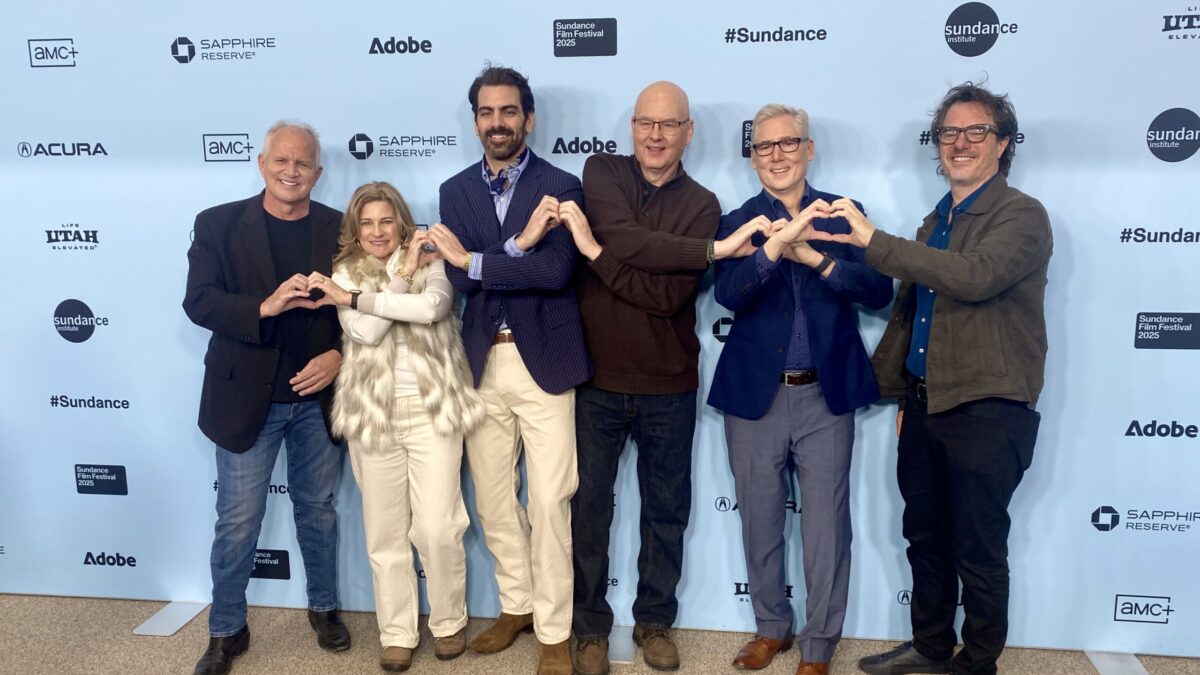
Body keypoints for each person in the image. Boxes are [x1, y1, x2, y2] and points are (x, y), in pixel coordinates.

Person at [827, 83, 1052, 675]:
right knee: (924, 537)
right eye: (949, 132)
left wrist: (874, 241)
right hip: (927, 407)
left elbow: (975, 278)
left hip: (988, 409)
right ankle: (930, 648)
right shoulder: (936, 218)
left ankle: (977, 664)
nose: (960, 142)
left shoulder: (1022, 214)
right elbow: (914, 312)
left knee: (977, 549)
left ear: (1003, 144)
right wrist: (905, 391)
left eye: (976, 131)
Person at [557, 81, 762, 674]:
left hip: (669, 383)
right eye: (646, 122)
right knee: (589, 509)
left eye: (669, 125)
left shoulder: (704, 206)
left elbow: (669, 297)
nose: (655, 135)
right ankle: (591, 629)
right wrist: (694, 250)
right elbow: (622, 238)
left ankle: (654, 622)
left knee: (666, 510)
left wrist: (598, 255)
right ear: (632, 127)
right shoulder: (602, 173)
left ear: (689, 132)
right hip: (596, 378)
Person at [708, 104, 893, 675]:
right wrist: (770, 247)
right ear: (753, 157)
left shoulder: (843, 214)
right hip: (755, 399)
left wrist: (814, 255)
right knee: (760, 519)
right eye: (765, 147)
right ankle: (771, 629)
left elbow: (878, 290)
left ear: (808, 149)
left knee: (825, 529)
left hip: (823, 397)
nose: (777, 155)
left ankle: (818, 646)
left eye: (789, 143)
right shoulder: (736, 219)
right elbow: (728, 294)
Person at [427, 65, 589, 675]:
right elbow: (458, 277)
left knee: (548, 501)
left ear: (528, 118)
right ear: (476, 121)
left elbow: (555, 274)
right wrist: (517, 246)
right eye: (487, 113)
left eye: (509, 112)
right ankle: (516, 604)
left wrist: (481, 258)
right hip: (479, 361)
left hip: (544, 361)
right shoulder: (454, 190)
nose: (498, 123)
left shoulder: (563, 185)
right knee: (495, 501)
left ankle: (554, 632)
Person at [183, 121, 350, 675]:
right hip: (244, 401)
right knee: (237, 522)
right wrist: (263, 306)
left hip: (318, 399)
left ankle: (324, 609)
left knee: (319, 512)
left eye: (303, 164)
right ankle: (227, 629)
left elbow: (363, 304)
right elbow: (200, 302)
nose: (291, 171)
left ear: (317, 173)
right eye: (282, 160)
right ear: (261, 163)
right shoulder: (218, 224)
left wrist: (342, 358)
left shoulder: (340, 227)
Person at [307, 181, 483, 672]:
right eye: (367, 223)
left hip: (433, 410)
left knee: (438, 526)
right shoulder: (343, 271)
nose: (378, 231)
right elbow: (366, 331)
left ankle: (448, 623)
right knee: (384, 533)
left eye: (387, 221)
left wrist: (395, 277)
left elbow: (433, 310)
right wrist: (398, 280)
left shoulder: (433, 261)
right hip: (373, 416)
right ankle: (398, 632)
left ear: (401, 222)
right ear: (355, 230)